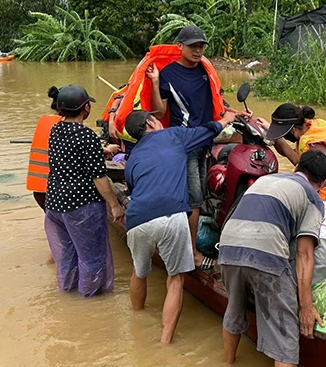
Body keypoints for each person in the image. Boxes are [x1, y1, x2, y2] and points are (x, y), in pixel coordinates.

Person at [219, 150, 326, 367]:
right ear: (322, 183)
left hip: (228, 247)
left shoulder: (265, 180)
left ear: (297, 168)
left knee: (234, 308)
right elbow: (304, 254)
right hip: (265, 253)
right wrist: (306, 306)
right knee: (285, 333)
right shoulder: (312, 198)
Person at [123, 108, 236, 344]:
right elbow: (208, 130)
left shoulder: (132, 158)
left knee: (139, 271)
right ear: (152, 122)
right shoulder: (173, 135)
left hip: (136, 220)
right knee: (176, 278)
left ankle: (137, 322)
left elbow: (133, 190)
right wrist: (227, 118)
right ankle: (165, 342)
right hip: (171, 216)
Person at [147, 25, 250, 270]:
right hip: (183, 142)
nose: (198, 49)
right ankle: (191, 253)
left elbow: (216, 103)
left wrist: (236, 113)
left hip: (206, 139)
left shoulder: (205, 70)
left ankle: (192, 241)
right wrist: (154, 82)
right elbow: (159, 111)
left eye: (201, 46)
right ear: (180, 47)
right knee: (194, 200)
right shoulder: (168, 74)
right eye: (192, 45)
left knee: (200, 196)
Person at [44, 84, 122, 297]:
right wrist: (114, 205)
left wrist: (101, 150)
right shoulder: (86, 136)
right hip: (81, 208)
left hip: (55, 205)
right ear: (85, 108)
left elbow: (71, 157)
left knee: (67, 257)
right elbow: (99, 178)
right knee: (93, 260)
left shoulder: (56, 129)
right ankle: (91, 304)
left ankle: (68, 298)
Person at [261, 103, 326, 200]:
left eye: (283, 134)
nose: (284, 137)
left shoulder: (314, 145)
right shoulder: (312, 125)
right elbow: (297, 160)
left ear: (293, 130)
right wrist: (276, 138)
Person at [26, 87, 64, 264]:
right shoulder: (66, 125)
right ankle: (55, 274)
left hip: (39, 190)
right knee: (66, 237)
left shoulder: (44, 121)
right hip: (55, 190)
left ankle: (50, 270)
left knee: (59, 233)